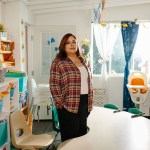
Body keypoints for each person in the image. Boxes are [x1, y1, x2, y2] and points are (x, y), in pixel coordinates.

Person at [50, 33, 93, 142]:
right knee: (70, 140)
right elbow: (54, 85)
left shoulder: (84, 61)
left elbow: (89, 82)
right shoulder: (58, 62)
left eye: (74, 42)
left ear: (77, 44)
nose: (72, 44)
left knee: (82, 136)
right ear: (63, 46)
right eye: (68, 42)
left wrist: (90, 103)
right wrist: (61, 104)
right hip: (67, 105)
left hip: (84, 103)